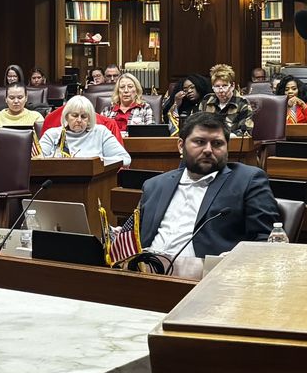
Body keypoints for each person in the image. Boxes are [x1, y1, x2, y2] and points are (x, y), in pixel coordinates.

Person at [138, 112, 279, 278]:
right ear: (180, 145)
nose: (208, 150)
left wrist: (237, 260)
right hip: (144, 275)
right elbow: (135, 234)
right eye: (199, 142)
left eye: (217, 144)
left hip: (210, 280)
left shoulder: (248, 180)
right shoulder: (155, 185)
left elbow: (267, 240)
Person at [36, 96, 132, 169]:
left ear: (89, 118)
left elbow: (125, 159)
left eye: (84, 116)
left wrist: (95, 164)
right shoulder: (52, 135)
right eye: (74, 115)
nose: (79, 120)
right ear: (66, 117)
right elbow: (37, 161)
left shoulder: (101, 132)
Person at [199, 65, 254, 139]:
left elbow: (246, 132)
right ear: (212, 87)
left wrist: (224, 137)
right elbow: (196, 125)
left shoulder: (242, 103)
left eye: (224, 86)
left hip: (232, 144)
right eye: (217, 86)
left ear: (232, 86)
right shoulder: (206, 101)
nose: (221, 91)